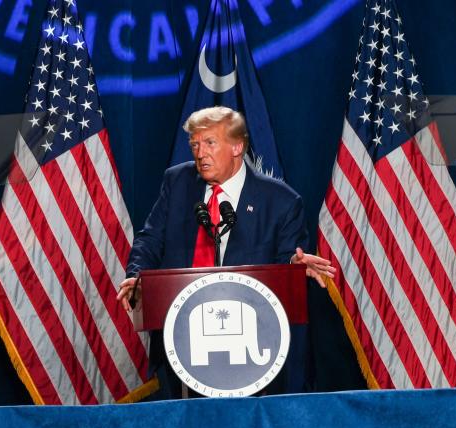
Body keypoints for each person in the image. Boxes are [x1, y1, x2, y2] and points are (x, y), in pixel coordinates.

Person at [117, 106, 335, 397]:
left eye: (210, 142)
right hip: (181, 341)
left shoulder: (280, 201)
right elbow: (150, 239)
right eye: (194, 144)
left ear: (237, 146)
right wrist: (136, 278)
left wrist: (293, 264)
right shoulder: (178, 182)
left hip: (249, 351)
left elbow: (286, 260)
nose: (199, 153)